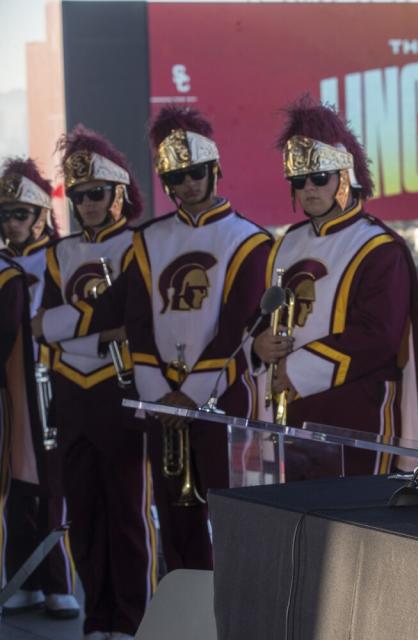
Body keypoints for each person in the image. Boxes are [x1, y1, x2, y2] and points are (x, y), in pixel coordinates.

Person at [35, 108, 271, 571]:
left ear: (214, 170)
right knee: (176, 530)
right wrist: (162, 396)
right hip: (162, 402)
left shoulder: (250, 240)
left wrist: (190, 394)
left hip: (222, 401)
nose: (185, 184)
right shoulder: (150, 239)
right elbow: (131, 317)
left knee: (231, 520)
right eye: (175, 176)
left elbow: (239, 326)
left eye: (194, 173)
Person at [253, 96, 418, 480]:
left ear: (345, 176)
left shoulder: (380, 247)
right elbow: (261, 317)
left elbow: (377, 337)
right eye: (299, 181)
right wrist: (258, 345)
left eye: (319, 178)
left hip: (356, 414)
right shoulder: (284, 243)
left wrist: (295, 370)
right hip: (290, 411)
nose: (309, 189)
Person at [33, 130, 156, 638]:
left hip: (119, 389)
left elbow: (132, 322)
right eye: (77, 195)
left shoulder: (139, 246)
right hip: (71, 394)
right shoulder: (57, 253)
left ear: (118, 195)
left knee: (126, 513)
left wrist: (69, 329)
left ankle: (131, 620)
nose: (85, 203)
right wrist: (93, 331)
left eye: (95, 194)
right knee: (82, 513)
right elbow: (41, 325)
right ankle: (95, 617)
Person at [0, 158, 80, 620]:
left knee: (52, 482)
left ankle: (57, 580)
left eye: (19, 213)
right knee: (16, 479)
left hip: (53, 379)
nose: (11, 222)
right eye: (4, 213)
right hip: (13, 383)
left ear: (40, 215)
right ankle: (23, 578)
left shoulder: (64, 256)